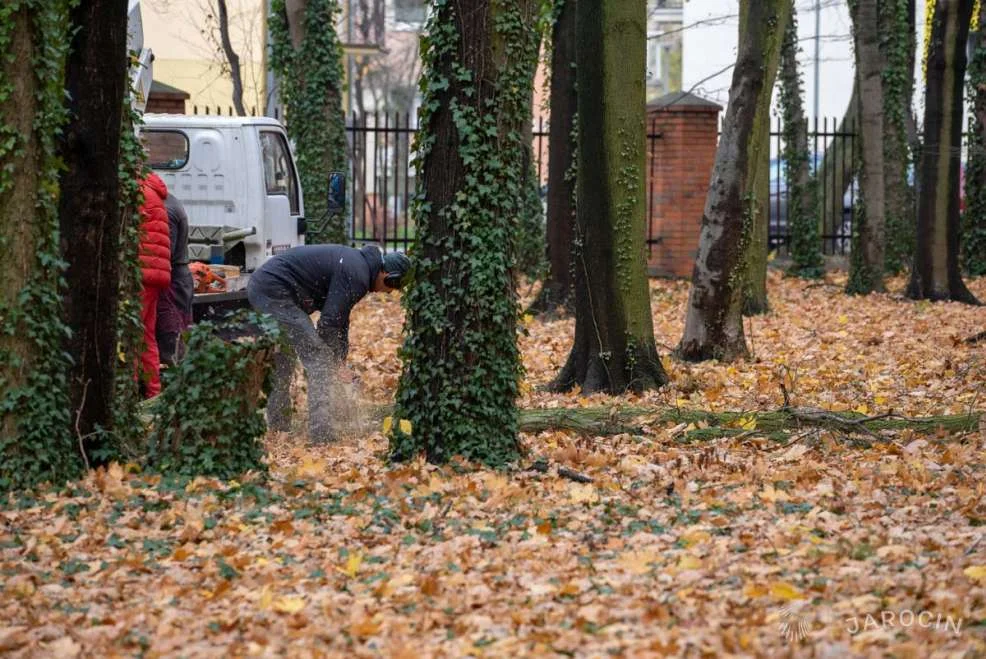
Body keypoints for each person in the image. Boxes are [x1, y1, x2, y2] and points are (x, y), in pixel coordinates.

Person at [247, 244, 411, 440]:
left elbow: (340, 318)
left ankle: (278, 427)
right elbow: (328, 324)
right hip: (273, 292)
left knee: (285, 358)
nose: (390, 292)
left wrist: (340, 360)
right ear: (387, 274)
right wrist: (333, 363)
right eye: (393, 285)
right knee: (320, 361)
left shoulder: (358, 268)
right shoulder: (357, 273)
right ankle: (322, 434)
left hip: (267, 288)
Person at [137, 172, 172, 398]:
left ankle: (126, 397)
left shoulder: (137, 192)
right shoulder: (153, 192)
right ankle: (153, 394)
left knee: (130, 335)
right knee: (146, 336)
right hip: (156, 272)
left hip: (142, 271)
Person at [156, 192, 194, 367]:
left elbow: (165, 252)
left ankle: (174, 384)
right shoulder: (170, 200)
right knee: (180, 335)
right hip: (179, 278)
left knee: (172, 339)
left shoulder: (165, 207)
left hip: (172, 280)